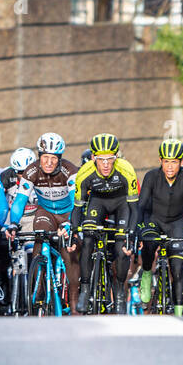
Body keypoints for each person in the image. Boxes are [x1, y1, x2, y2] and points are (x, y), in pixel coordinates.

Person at [7, 132, 81, 312]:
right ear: (40, 156)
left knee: (70, 259)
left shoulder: (70, 171)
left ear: (60, 158)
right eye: (45, 157)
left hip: (67, 214)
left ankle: (74, 307)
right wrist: (14, 223)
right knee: (39, 237)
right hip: (46, 213)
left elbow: (76, 202)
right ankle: (38, 293)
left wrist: (70, 224)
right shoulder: (31, 171)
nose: (48, 162)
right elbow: (19, 202)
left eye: (53, 158)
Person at [71, 133, 139, 313]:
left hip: (121, 205)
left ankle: (118, 293)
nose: (106, 164)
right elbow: (77, 209)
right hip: (98, 203)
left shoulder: (126, 169)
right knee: (87, 239)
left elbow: (134, 209)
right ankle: (85, 289)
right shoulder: (84, 173)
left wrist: (131, 234)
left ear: (116, 157)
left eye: (110, 159)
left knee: (121, 248)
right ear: (93, 158)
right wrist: (74, 231)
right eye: (101, 160)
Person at [134, 139, 183, 314]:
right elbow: (141, 205)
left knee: (178, 269)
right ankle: (147, 273)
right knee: (148, 244)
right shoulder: (151, 176)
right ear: (161, 161)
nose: (170, 166)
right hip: (154, 219)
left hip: (176, 222)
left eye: (174, 162)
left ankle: (178, 312)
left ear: (182, 162)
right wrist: (138, 228)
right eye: (166, 162)